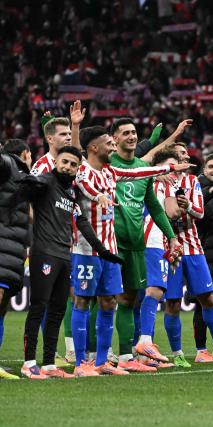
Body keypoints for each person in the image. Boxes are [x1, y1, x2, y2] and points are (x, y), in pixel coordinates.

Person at [71, 126, 190, 377]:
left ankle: (104, 361)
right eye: (108, 142)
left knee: (109, 301)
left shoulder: (111, 172)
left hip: (112, 248)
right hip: (87, 248)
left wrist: (168, 168)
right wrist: (74, 126)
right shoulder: (82, 170)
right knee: (83, 302)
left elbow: (140, 172)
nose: (112, 146)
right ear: (94, 147)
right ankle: (82, 362)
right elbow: (83, 175)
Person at [18, 146, 124, 379]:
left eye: (72, 164)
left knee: (57, 310)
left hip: (65, 256)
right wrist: (24, 170)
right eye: (64, 162)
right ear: (57, 162)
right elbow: (23, 189)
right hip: (43, 253)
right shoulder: (44, 182)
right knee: (38, 307)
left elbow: (83, 223)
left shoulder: (71, 192)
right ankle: (29, 363)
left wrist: (103, 251)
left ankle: (48, 365)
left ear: (77, 169)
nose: (67, 166)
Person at [109, 118, 187, 372]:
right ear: (114, 139)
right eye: (126, 133)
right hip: (108, 241)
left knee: (128, 299)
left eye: (134, 132)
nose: (131, 136)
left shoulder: (143, 169)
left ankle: (125, 358)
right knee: (100, 299)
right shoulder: (108, 164)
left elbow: (155, 207)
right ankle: (90, 357)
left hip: (135, 245)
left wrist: (172, 237)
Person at [161, 142, 213, 367]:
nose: (186, 156)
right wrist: (177, 209)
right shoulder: (160, 182)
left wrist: (187, 207)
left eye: (186, 153)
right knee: (173, 303)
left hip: (194, 247)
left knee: (207, 297)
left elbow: (200, 212)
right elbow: (165, 214)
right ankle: (177, 354)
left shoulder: (192, 181)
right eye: (181, 154)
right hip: (169, 248)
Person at [31, 102, 85, 365]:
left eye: (69, 134)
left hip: (65, 240)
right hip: (44, 241)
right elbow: (32, 203)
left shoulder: (70, 166)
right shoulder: (42, 167)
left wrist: (75, 125)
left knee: (64, 297)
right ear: (50, 138)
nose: (67, 138)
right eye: (63, 134)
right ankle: (45, 355)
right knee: (44, 298)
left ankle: (64, 350)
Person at [137, 150, 184, 367]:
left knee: (142, 296)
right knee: (154, 291)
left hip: (148, 240)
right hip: (151, 241)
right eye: (171, 166)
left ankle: (143, 354)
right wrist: (182, 203)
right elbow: (173, 212)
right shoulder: (162, 183)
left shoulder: (148, 180)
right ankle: (145, 343)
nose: (175, 170)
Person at [0, 139, 32, 380]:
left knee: (2, 308)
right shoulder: (10, 164)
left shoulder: (22, 176)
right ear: (26, 153)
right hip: (3, 247)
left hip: (13, 248)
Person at [191, 153, 213, 363]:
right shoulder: (199, 190)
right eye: (211, 166)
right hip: (202, 254)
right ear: (204, 170)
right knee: (202, 302)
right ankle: (200, 349)